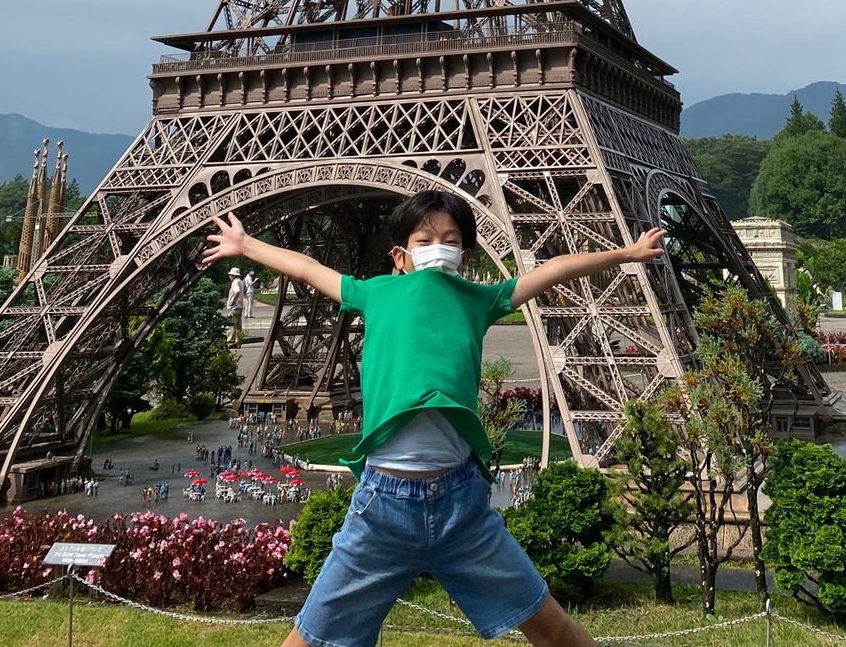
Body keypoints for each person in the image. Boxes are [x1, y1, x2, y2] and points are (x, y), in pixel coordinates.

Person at [202, 190, 666, 647]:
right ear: (400, 257)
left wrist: (626, 253)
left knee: (551, 626)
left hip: (461, 506)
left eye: (449, 239)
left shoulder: (480, 298)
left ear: (464, 255)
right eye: (424, 240)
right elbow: (308, 266)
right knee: (309, 639)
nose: (437, 248)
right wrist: (246, 246)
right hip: (382, 506)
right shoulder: (374, 292)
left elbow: (552, 269)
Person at [224, 264, 245, 347]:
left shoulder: (235, 282)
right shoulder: (240, 281)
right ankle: (238, 341)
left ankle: (230, 340)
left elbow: (237, 291)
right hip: (239, 306)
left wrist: (233, 301)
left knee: (231, 324)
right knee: (238, 325)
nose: (229, 276)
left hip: (234, 306)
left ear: (234, 275)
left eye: (230, 275)